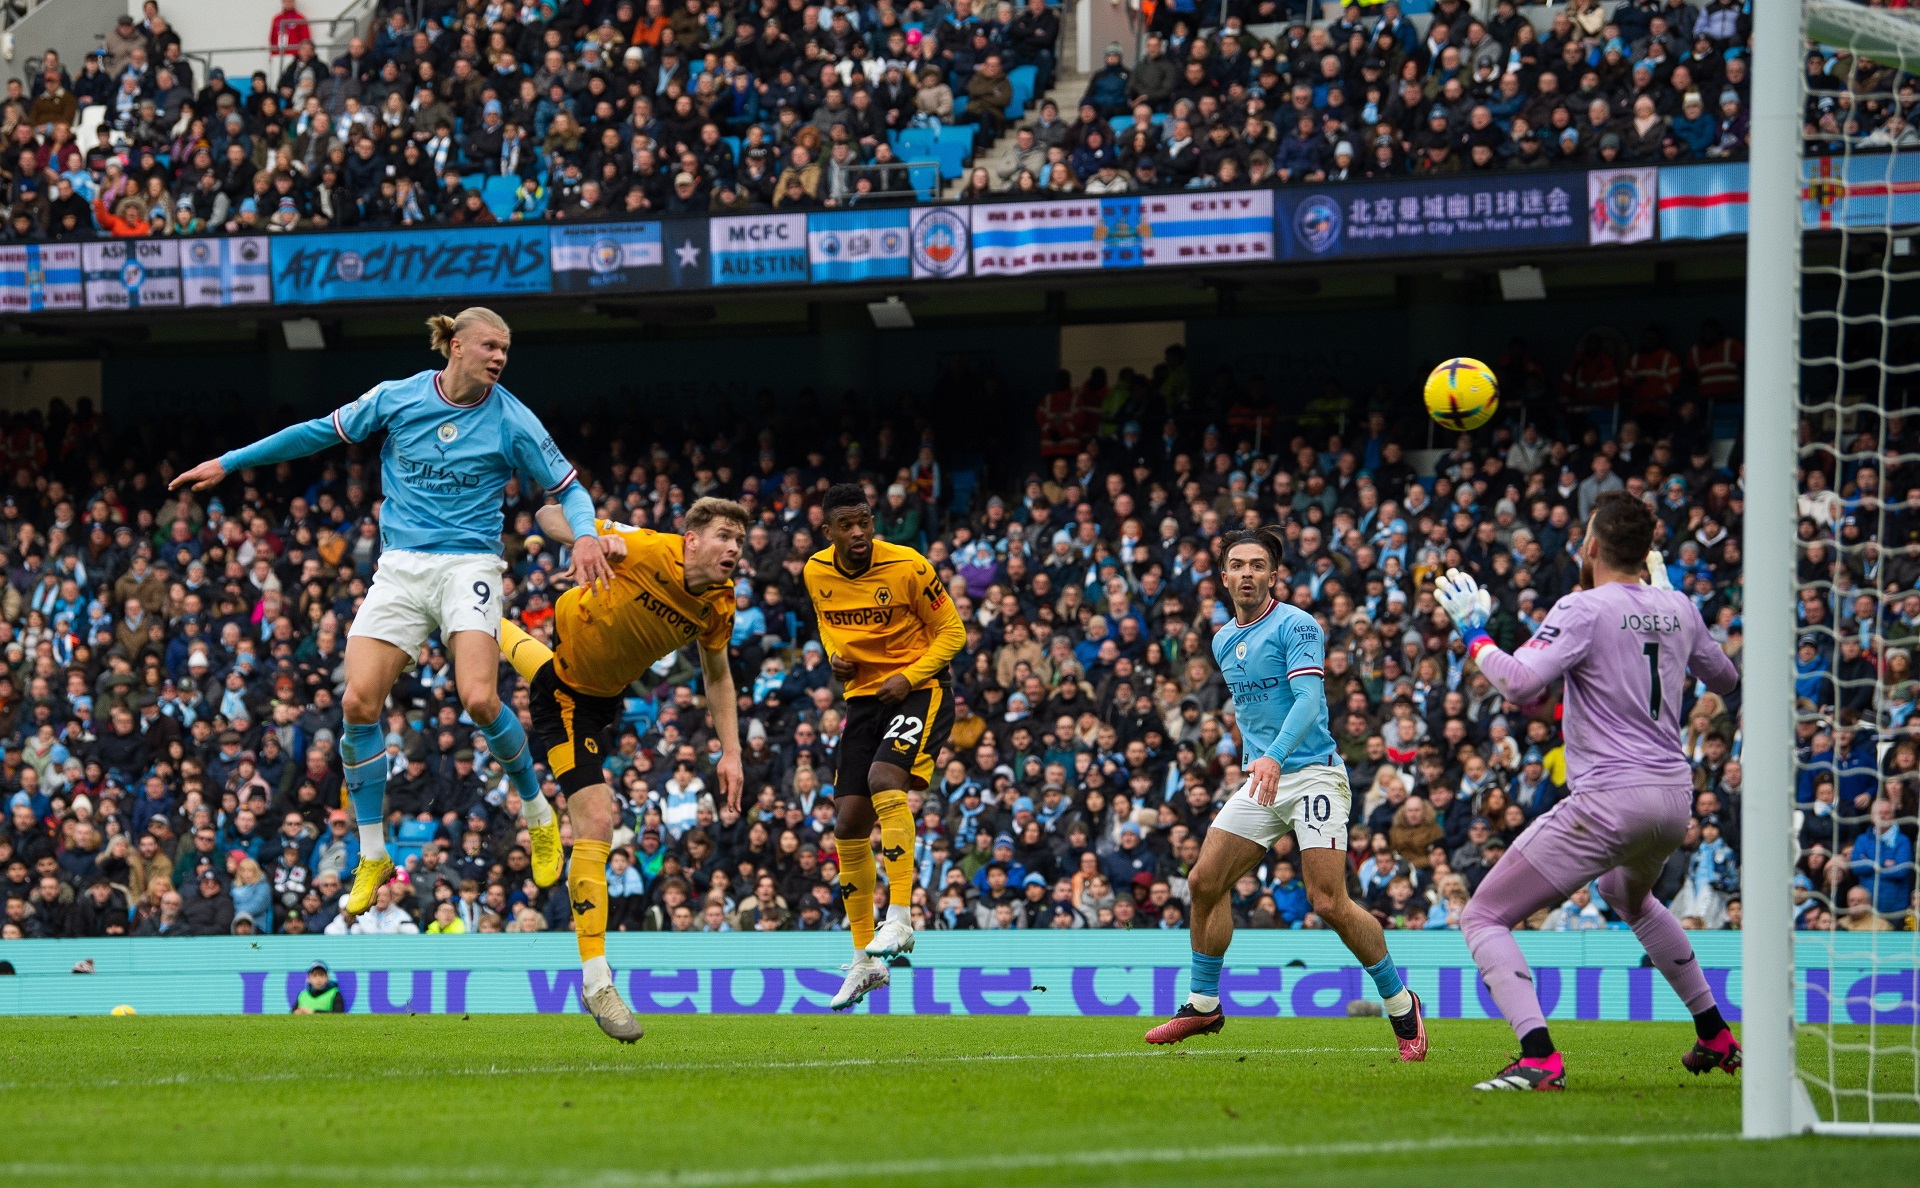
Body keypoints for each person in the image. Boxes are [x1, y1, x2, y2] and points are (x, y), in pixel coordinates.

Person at [169, 308, 612, 921]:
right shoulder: (396, 398)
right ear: (455, 346)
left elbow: (570, 489)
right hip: (401, 566)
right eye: (489, 346)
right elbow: (316, 433)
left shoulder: (513, 419)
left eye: (506, 349)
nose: (500, 358)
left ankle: (537, 811)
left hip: (469, 564)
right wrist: (231, 461)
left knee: (480, 699)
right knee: (357, 703)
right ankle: (373, 853)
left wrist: (585, 534)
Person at [1435, 490, 1741, 1090]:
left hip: (1610, 799)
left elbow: (1520, 684)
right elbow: (1726, 678)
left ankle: (1539, 1058)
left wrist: (1475, 633)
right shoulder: (1679, 605)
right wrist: (1672, 608)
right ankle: (1714, 1033)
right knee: (1627, 896)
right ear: (1647, 553)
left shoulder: (1582, 607)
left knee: (1484, 915)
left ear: (1592, 545)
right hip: (1672, 800)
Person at [1144, 527, 1427, 1059]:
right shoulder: (1221, 640)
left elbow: (1307, 699)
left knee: (1327, 900)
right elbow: (1252, 711)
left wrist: (1273, 755)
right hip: (1262, 778)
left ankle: (1400, 1003)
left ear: (1272, 576)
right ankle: (1203, 1004)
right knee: (1204, 880)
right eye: (1237, 565)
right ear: (1223, 576)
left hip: (1313, 773)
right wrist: (1259, 760)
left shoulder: (1297, 624)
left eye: (1257, 565)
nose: (1247, 573)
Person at [499, 496, 749, 1042]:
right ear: (691, 540)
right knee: (597, 825)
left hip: (599, 692)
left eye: (739, 540)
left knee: (542, 666)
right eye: (724, 536)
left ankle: (483, 620)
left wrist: (731, 751)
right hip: (567, 698)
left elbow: (718, 675)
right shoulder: (645, 546)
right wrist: (589, 538)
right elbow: (547, 515)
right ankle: (597, 981)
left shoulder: (719, 604)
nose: (734, 547)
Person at [804, 483, 966, 1009]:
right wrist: (834, 654)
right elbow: (828, 624)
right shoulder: (815, 571)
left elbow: (953, 632)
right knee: (848, 823)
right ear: (828, 531)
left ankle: (900, 917)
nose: (858, 532)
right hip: (863, 699)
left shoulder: (908, 566)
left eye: (864, 521)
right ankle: (864, 962)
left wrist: (909, 675)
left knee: (882, 780)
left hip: (920, 688)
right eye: (846, 525)